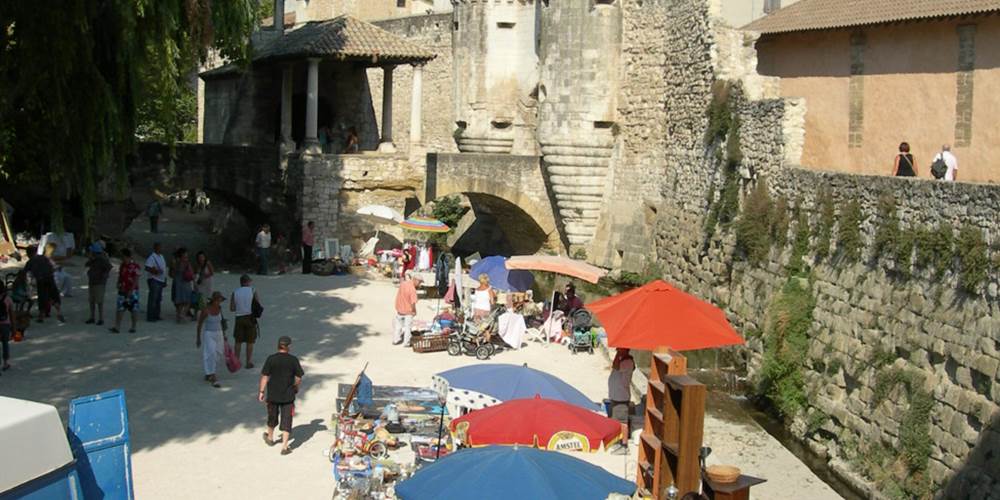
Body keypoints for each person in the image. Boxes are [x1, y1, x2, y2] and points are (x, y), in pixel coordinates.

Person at [259, 335, 304, 455]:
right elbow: (299, 377)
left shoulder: (271, 359)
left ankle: (270, 438)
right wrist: (296, 387)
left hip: (273, 394)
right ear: (288, 347)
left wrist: (262, 391)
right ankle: (284, 447)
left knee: (272, 416)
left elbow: (265, 376)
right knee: (287, 419)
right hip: (288, 395)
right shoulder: (293, 360)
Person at [26, 243, 64, 323]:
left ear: (28, 254)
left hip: (41, 280)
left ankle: (41, 316)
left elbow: (25, 273)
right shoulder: (44, 258)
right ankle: (59, 312)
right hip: (50, 278)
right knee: (53, 295)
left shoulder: (30, 261)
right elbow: (53, 266)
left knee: (42, 297)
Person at [196, 291, 227, 388]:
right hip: (209, 333)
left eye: (220, 300)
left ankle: (208, 372)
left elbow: (222, 322)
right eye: (218, 300)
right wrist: (198, 338)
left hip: (219, 333)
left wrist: (224, 334)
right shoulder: (206, 310)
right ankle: (212, 374)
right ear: (214, 300)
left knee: (219, 352)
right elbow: (199, 324)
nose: (219, 302)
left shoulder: (219, 308)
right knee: (211, 353)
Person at [607, 348, 635, 454]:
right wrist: (619, 353)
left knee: (622, 422)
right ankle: (618, 442)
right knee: (616, 420)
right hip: (616, 396)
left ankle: (624, 445)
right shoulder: (623, 359)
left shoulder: (627, 361)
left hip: (621, 396)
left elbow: (615, 366)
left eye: (619, 348)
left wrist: (619, 353)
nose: (617, 349)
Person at [231, 274, 262, 368]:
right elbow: (258, 304)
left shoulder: (235, 292)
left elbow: (232, 308)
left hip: (239, 318)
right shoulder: (253, 290)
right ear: (248, 282)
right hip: (250, 317)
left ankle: (236, 361)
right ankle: (248, 362)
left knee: (238, 341)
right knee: (250, 341)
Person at [110, 249, 141, 334]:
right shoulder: (122, 265)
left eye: (123, 257)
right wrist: (118, 282)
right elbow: (120, 275)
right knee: (120, 307)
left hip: (133, 291)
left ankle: (133, 326)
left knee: (134, 309)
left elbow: (136, 279)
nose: (122, 259)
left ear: (127, 256)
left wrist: (131, 290)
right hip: (123, 289)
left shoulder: (136, 266)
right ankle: (117, 326)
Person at [85, 242, 113, 325]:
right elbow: (87, 264)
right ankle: (92, 317)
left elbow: (109, 267)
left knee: (99, 301)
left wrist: (104, 275)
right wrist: (90, 259)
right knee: (92, 300)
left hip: (99, 283)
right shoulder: (93, 259)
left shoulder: (102, 259)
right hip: (92, 281)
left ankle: (100, 318)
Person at [393, 271, 422, 347]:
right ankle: (406, 343)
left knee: (398, 326)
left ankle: (396, 340)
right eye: (420, 282)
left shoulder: (403, 284)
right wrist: (414, 311)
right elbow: (413, 303)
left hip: (399, 308)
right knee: (407, 327)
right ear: (415, 280)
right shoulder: (412, 289)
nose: (420, 284)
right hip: (408, 311)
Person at [145, 242, 167, 322]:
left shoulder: (161, 256)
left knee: (158, 299)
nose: (161, 249)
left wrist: (165, 279)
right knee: (153, 298)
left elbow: (164, 269)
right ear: (156, 248)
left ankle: (156, 315)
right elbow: (147, 267)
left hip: (160, 279)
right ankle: (150, 316)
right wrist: (155, 271)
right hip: (154, 279)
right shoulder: (152, 257)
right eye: (160, 247)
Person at [171, 248, 194, 323]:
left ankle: (179, 316)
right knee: (188, 300)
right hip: (185, 283)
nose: (186, 258)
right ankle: (182, 314)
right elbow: (191, 274)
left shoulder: (175, 263)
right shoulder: (187, 264)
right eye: (185, 256)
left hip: (177, 282)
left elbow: (172, 274)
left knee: (179, 301)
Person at [0, 281, 14, 373]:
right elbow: (11, 313)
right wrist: (14, 326)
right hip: (5, 323)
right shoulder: (8, 298)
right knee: (5, 343)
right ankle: (5, 363)